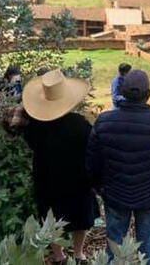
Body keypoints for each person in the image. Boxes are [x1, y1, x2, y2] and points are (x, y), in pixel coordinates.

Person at [87, 70, 150, 265]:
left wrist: (97, 186)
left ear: (122, 92)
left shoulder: (104, 121)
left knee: (114, 250)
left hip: (114, 193)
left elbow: (93, 159)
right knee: (145, 252)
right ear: (148, 95)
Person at [20, 69, 98, 264]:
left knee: (51, 217)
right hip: (78, 178)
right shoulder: (80, 124)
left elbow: (30, 143)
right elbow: (92, 148)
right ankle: (79, 254)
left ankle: (58, 256)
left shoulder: (34, 126)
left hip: (47, 178)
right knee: (81, 217)